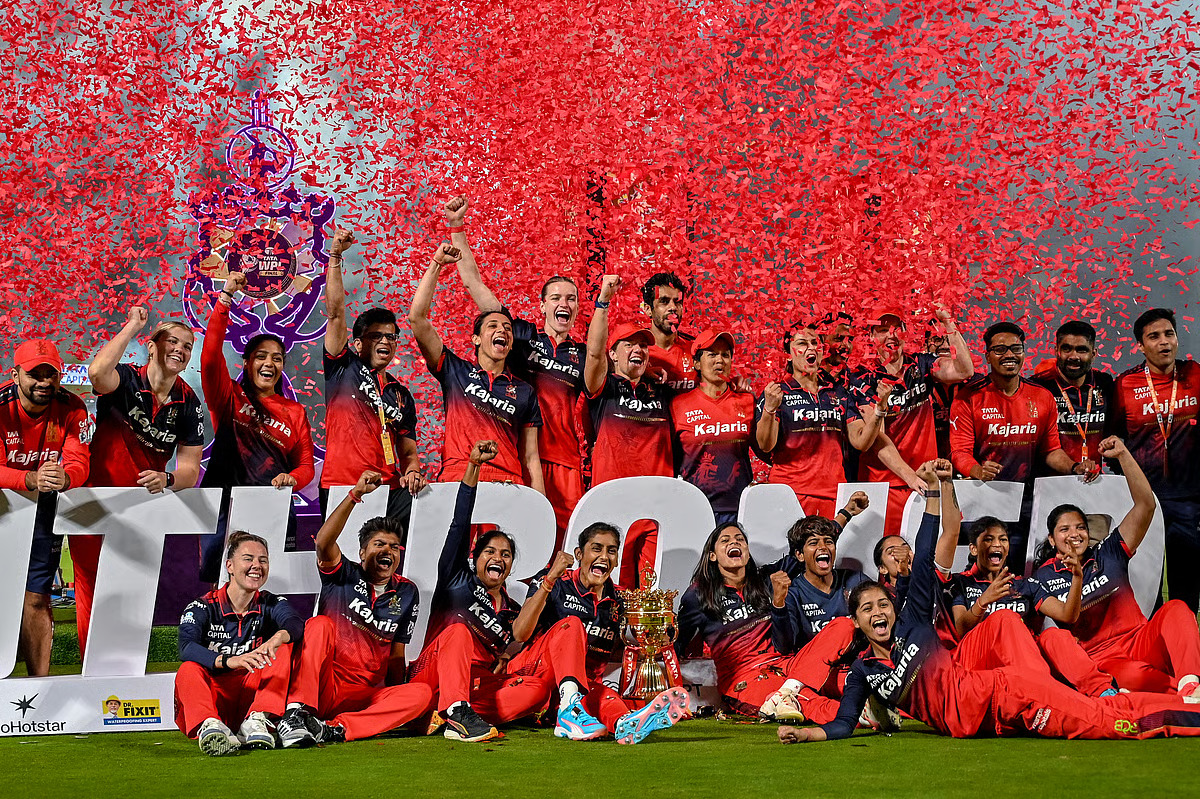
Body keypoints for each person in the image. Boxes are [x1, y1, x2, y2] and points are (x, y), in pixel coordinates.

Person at [778, 462, 1200, 745]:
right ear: (855, 621)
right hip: (983, 716)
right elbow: (843, 723)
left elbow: (926, 553)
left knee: (1106, 721)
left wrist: (934, 492)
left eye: (882, 605)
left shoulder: (913, 626)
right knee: (1097, 714)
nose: (878, 612)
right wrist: (808, 734)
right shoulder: (865, 671)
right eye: (867, 609)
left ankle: (1188, 712)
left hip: (1002, 691)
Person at [448, 196, 586, 544]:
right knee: (512, 543)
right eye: (556, 298)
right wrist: (457, 227)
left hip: (565, 461)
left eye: (571, 298)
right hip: (519, 457)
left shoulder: (585, 355)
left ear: (577, 307)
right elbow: (474, 284)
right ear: (543, 306)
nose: (564, 304)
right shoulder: (519, 336)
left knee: (562, 543)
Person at [1031, 436, 1200, 699]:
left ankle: (1191, 684)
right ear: (1052, 540)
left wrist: (1123, 455)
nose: (1074, 534)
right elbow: (1061, 623)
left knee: (1176, 608)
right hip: (1104, 659)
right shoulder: (1044, 575)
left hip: (1141, 641)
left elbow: (1146, 506)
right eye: (1064, 529)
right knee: (1136, 676)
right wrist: (1076, 577)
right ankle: (1175, 695)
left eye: (1080, 527)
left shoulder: (1108, 552)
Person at [276, 470, 433, 747]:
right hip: (326, 685)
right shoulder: (343, 574)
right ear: (362, 552)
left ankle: (334, 729)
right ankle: (299, 712)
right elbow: (323, 542)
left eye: (394, 547)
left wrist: (397, 700)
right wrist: (355, 494)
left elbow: (397, 654)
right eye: (379, 544)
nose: (388, 551)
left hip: (366, 694)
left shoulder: (407, 592)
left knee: (420, 694)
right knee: (318, 624)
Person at [408, 441, 551, 743]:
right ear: (475, 558)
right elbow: (460, 523)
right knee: (458, 632)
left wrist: (509, 655)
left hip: (475, 684)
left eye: (506, 554)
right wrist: (473, 466)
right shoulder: (456, 579)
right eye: (490, 551)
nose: (498, 558)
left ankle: (448, 715)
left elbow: (524, 644)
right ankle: (454, 711)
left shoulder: (512, 611)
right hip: (432, 672)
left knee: (537, 690)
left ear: (510, 566)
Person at [81, 307, 204, 657]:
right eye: (172, 341)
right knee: (93, 588)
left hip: (141, 507)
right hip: (94, 500)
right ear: (151, 347)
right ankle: (93, 670)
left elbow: (190, 471)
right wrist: (133, 326)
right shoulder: (126, 378)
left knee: (133, 589)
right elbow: (96, 373)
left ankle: (126, 668)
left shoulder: (189, 404)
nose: (180, 349)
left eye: (187, 345)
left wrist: (167, 477)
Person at [511, 524, 690, 743]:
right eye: (597, 548)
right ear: (579, 554)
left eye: (611, 551)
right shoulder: (555, 581)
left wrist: (655, 635)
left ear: (617, 559)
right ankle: (569, 709)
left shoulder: (621, 600)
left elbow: (627, 648)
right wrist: (549, 581)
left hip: (578, 687)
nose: (604, 556)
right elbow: (520, 633)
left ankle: (625, 723)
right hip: (534, 675)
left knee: (606, 696)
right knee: (572, 625)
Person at [950, 322, 1097, 571]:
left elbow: (1050, 451)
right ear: (987, 355)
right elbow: (959, 452)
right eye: (1000, 349)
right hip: (982, 498)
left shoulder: (1041, 396)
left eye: (1015, 348)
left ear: (1023, 353)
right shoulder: (969, 397)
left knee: (1021, 570)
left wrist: (1074, 467)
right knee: (981, 572)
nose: (1009, 355)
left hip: (1026, 501)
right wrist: (978, 470)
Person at [198, 273, 315, 582]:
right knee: (221, 585)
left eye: (277, 358)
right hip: (224, 505)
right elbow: (209, 360)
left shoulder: (294, 412)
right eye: (261, 356)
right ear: (247, 363)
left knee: (272, 583)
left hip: (274, 505)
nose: (269, 364)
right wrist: (225, 298)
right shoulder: (228, 396)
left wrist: (292, 478)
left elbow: (305, 465)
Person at [675, 522, 853, 725]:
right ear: (712, 555)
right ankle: (862, 715)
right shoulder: (698, 594)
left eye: (740, 539)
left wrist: (845, 515)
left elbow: (808, 544)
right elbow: (678, 642)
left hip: (789, 665)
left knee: (844, 629)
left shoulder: (765, 579)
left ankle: (785, 693)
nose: (734, 542)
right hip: (746, 678)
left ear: (747, 551)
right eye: (725, 540)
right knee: (807, 700)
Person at [409, 243, 545, 491]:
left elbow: (530, 457)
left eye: (507, 328)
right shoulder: (455, 371)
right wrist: (436, 264)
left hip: (507, 483)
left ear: (511, 344)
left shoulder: (525, 391)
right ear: (476, 339)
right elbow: (417, 319)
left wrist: (540, 506)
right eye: (492, 326)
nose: (502, 330)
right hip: (458, 476)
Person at [754, 320, 914, 519]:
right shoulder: (777, 393)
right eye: (802, 343)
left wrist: (880, 409)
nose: (811, 348)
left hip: (834, 495)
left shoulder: (838, 393)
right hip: (790, 495)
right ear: (788, 353)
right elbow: (765, 445)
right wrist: (769, 409)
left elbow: (861, 441)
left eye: (815, 343)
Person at [321, 228, 426, 526]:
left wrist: (413, 470)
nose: (385, 341)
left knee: (430, 513)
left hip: (388, 488)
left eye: (391, 337)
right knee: (340, 554)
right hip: (343, 485)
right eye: (376, 336)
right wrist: (335, 256)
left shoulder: (400, 394)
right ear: (357, 344)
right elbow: (335, 314)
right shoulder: (342, 366)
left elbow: (408, 449)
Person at [0, 339, 89, 677]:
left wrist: (67, 477)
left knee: (37, 598)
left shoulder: (72, 406)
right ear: (15, 375)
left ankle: (38, 687)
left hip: (43, 508)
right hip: (5, 503)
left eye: (50, 374)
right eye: (34, 374)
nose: (44, 382)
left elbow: (80, 461)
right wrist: (30, 478)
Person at [174, 531, 303, 756]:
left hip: (252, 697)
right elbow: (186, 647)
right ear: (230, 566)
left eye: (263, 560)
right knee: (188, 669)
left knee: (283, 646)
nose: (257, 566)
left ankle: (257, 719)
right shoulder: (203, 606)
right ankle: (211, 727)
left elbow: (295, 623)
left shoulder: (270, 602)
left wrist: (278, 636)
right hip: (215, 698)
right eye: (248, 559)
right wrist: (229, 661)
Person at [584, 275, 673, 587]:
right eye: (629, 344)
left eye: (644, 345)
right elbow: (593, 354)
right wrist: (603, 303)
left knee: (652, 593)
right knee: (614, 590)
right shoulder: (603, 387)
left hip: (656, 510)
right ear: (613, 354)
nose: (639, 349)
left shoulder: (663, 392)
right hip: (613, 505)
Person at [852, 308, 974, 533]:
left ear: (905, 332)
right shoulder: (862, 377)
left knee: (928, 549)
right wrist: (910, 476)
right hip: (884, 485)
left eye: (896, 329)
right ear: (871, 336)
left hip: (925, 478)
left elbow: (964, 370)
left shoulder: (921, 364)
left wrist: (948, 323)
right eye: (882, 330)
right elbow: (875, 439)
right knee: (887, 551)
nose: (891, 335)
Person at [1110, 308, 1200, 611]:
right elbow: (1114, 437)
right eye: (1154, 336)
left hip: (1189, 499)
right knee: (1146, 581)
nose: (1164, 342)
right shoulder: (1125, 384)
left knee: (1186, 581)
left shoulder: (1195, 374)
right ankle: (1150, 636)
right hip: (1144, 500)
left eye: (1169, 334)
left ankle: (1184, 634)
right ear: (1140, 345)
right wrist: (1126, 481)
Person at [670, 329, 756, 525]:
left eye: (725, 355)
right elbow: (671, 462)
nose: (720, 360)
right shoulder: (678, 405)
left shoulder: (747, 401)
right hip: (695, 509)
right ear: (697, 363)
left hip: (739, 509)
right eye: (712, 354)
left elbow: (766, 450)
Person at [769, 516, 869, 656]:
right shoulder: (792, 594)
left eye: (828, 542)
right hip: (817, 663)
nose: (823, 547)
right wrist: (778, 603)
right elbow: (784, 647)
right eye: (813, 543)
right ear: (800, 555)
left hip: (859, 662)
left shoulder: (855, 580)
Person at [1029, 320, 1115, 470]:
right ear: (1056, 351)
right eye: (1067, 349)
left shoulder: (1105, 383)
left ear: (1094, 354)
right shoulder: (1038, 386)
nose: (1073, 356)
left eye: (1081, 350)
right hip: (1047, 480)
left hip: (1094, 478)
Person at [641, 272, 696, 392]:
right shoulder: (635, 352)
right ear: (648, 309)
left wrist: (734, 383)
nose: (673, 307)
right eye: (664, 301)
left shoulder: (696, 351)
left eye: (678, 302)